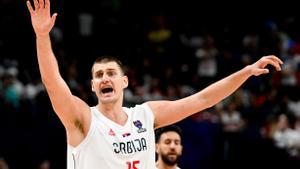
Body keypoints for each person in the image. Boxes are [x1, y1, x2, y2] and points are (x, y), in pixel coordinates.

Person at [26, 0, 283, 168]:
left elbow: (202, 100)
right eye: (99, 75)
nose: (105, 77)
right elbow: (52, 82)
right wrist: (41, 36)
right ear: (93, 86)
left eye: (111, 73)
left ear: (124, 81)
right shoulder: (83, 118)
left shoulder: (145, 114)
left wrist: (245, 72)